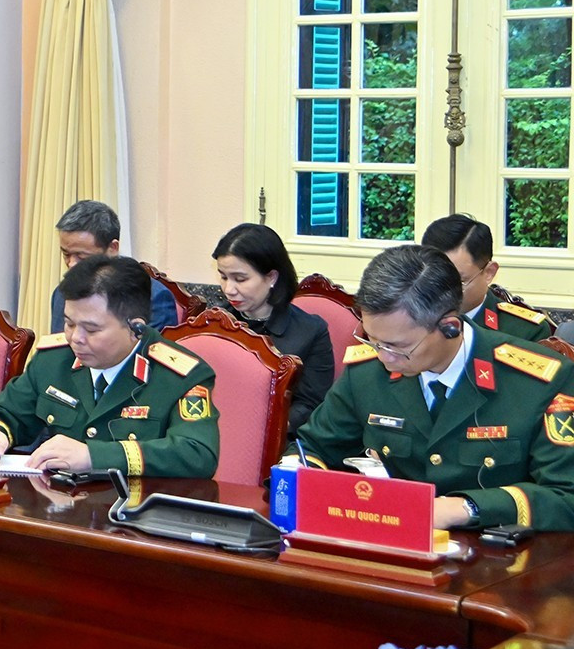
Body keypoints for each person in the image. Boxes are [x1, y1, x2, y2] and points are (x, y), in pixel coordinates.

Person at [295, 245, 574, 531]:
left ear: (450, 327)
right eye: (373, 341)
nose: (384, 357)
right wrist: (297, 471)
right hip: (390, 541)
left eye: (398, 346)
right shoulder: (366, 373)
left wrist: (467, 508)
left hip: (494, 551)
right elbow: (311, 448)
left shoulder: (539, 381)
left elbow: (566, 496)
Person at [0, 254, 220, 478]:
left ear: (136, 328)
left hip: (135, 506)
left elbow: (197, 453)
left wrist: (94, 456)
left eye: (91, 329)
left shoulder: (179, 376)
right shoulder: (54, 359)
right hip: (59, 503)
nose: (76, 338)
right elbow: (1, 412)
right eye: (69, 323)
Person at [212, 222, 333, 438]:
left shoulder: (311, 332)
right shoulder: (212, 323)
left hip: (275, 439)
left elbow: (311, 405)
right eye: (223, 277)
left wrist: (262, 430)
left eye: (240, 279)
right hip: (213, 432)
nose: (229, 289)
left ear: (271, 278)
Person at [50, 199, 179, 333]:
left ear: (112, 248)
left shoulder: (153, 298)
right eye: (66, 254)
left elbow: (148, 346)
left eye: (82, 256)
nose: (71, 264)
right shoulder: (61, 294)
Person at [420, 214, 554, 343]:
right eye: (433, 280)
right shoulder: (410, 318)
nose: (441, 293)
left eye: (457, 282)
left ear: (489, 272)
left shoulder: (525, 332)